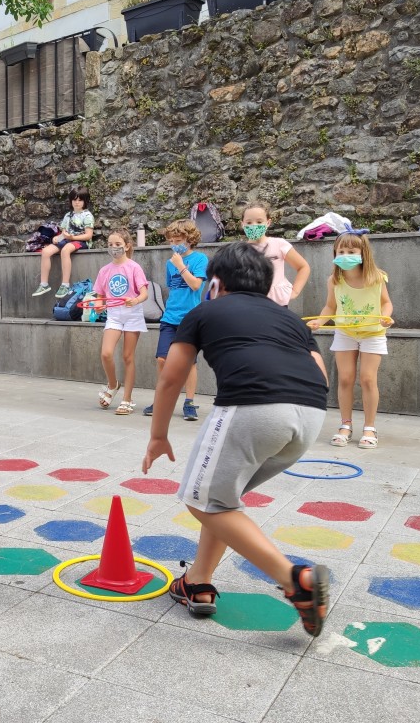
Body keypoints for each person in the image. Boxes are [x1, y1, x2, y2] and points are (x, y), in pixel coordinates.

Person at [143, 242, 331, 637]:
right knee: (221, 498)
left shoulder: (204, 310)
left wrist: (158, 435)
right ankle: (199, 582)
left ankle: (295, 579)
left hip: (253, 407)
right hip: (312, 415)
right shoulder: (289, 318)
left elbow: (171, 377)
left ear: (216, 283)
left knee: (202, 500)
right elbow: (320, 372)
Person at [307, 233, 394, 449]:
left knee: (367, 378)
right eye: (341, 252)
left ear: (362, 253)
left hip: (372, 333)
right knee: (345, 378)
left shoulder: (377, 277)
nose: (345, 255)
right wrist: (320, 321)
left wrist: (385, 317)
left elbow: (386, 303)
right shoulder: (334, 280)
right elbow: (330, 307)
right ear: (335, 254)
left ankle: (370, 427)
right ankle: (345, 425)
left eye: (351, 252)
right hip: (345, 332)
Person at [143, 219, 207, 420]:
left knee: (190, 363)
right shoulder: (169, 262)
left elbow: (196, 285)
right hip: (170, 317)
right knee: (162, 358)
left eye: (178, 239)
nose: (174, 243)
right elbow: (173, 288)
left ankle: (189, 403)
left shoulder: (199, 259)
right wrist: (176, 265)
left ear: (189, 239)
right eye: (171, 240)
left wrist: (181, 266)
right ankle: (164, 398)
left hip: (191, 319)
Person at [93, 229, 149, 415]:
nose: (114, 248)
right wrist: (99, 305)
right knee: (106, 353)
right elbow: (100, 296)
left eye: (117, 244)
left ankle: (127, 399)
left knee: (128, 357)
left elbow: (144, 293)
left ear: (127, 246)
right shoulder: (104, 270)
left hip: (132, 313)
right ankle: (112, 384)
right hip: (114, 314)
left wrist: (136, 300)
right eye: (110, 245)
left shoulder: (134, 267)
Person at [241, 202, 310, 306]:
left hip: (278, 304)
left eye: (259, 222)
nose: (254, 225)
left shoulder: (279, 244)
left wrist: (295, 291)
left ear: (268, 222)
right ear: (243, 224)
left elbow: (303, 267)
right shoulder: (240, 251)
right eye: (249, 222)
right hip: (252, 305)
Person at [32, 188, 94, 298]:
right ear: (71, 201)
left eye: (80, 200)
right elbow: (63, 233)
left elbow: (88, 235)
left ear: (85, 201)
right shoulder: (68, 215)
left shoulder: (87, 216)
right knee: (46, 251)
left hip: (81, 241)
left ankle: (65, 285)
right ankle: (44, 284)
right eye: (74, 200)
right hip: (67, 240)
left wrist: (73, 237)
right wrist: (57, 238)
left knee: (65, 250)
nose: (77, 202)